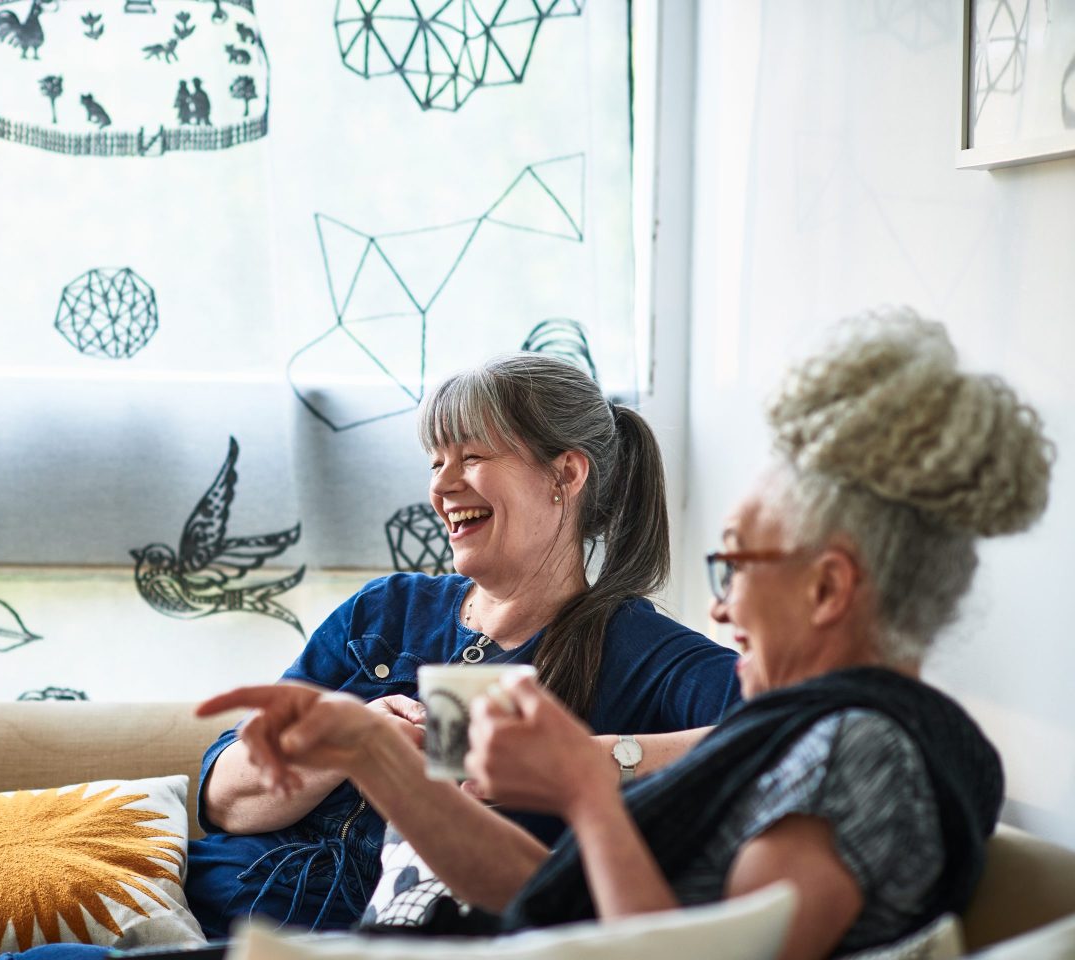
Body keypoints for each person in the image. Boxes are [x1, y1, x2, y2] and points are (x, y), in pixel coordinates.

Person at [0, 353, 740, 960]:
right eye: (434, 460)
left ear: (566, 474)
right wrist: (339, 745)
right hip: (204, 915)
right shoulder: (390, 614)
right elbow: (224, 794)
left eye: (471, 455)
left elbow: (780, 733)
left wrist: (585, 755)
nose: (444, 484)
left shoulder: (646, 656)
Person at [200, 310, 1052, 960]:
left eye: (736, 570)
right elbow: (557, 900)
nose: (719, 609)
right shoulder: (804, 739)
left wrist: (587, 788)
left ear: (827, 588)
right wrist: (375, 754)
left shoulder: (853, 756)